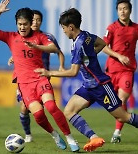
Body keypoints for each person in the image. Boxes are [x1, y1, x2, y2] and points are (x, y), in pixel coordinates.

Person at [35, 8, 138, 152]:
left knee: (123, 117)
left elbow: (73, 72)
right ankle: (93, 137)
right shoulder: (86, 35)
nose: (64, 32)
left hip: (101, 85)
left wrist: (49, 72)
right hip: (89, 86)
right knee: (69, 111)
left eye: (64, 28)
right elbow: (102, 43)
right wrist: (90, 56)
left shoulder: (78, 45)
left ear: (71, 27)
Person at [0, 0, 79, 152]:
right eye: (19, 24)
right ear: (17, 24)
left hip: (40, 78)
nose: (22, 27)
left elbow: (53, 48)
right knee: (38, 115)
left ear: (31, 23)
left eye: (25, 24)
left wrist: (36, 46)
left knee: (51, 106)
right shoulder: (11, 37)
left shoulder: (39, 37)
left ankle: (69, 137)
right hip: (25, 84)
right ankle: (54, 134)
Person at [7, 9, 65, 143]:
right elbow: (20, 51)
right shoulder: (21, 37)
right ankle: (28, 134)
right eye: (33, 20)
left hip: (42, 77)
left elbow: (58, 52)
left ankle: (57, 133)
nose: (36, 22)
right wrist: (13, 57)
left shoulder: (46, 37)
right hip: (25, 78)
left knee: (42, 108)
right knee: (24, 108)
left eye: (38, 20)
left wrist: (61, 66)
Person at [103, 0, 138, 143]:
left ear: (130, 10)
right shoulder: (111, 28)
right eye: (120, 9)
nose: (122, 11)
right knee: (113, 103)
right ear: (117, 11)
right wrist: (118, 56)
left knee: (122, 99)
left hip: (127, 71)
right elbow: (103, 47)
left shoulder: (136, 28)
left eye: (125, 9)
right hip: (111, 71)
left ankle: (117, 132)